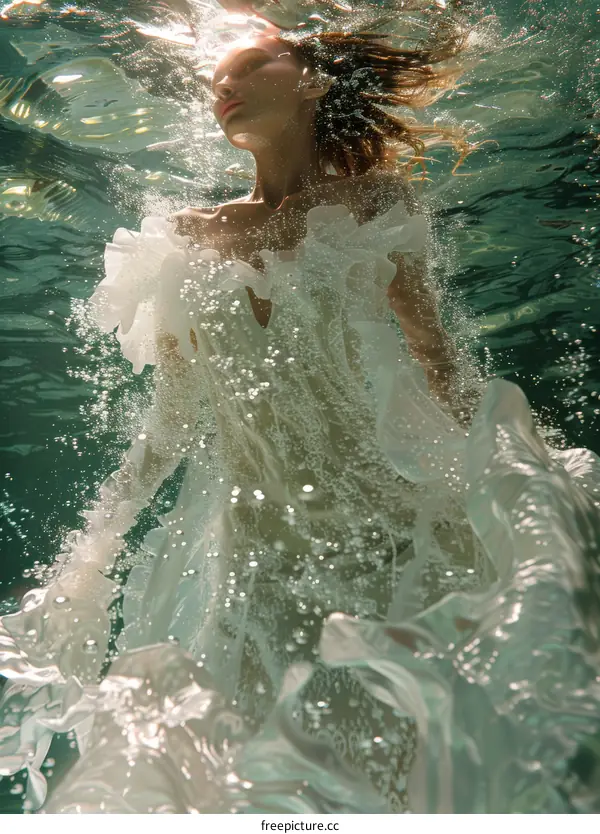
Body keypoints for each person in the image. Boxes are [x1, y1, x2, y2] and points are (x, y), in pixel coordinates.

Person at [0, 27, 487, 810]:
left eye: (247, 66)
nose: (221, 85)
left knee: (406, 773)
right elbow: (172, 420)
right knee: (268, 789)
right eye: (214, 77)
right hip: (260, 563)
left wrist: (513, 476)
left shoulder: (376, 203)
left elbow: (436, 358)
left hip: (390, 533)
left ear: (313, 82)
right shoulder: (182, 238)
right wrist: (94, 547)